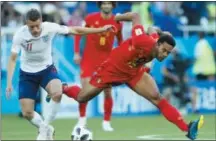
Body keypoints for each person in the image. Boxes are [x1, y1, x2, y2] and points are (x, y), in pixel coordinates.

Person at [63, 12, 204, 140]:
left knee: (157, 98)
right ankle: (63, 88)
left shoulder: (156, 41)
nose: (165, 55)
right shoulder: (141, 41)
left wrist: (160, 32)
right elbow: (136, 16)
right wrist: (117, 18)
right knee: (82, 97)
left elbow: (152, 30)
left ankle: (187, 129)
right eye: (164, 50)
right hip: (112, 70)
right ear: (157, 44)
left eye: (168, 53)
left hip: (133, 73)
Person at [6, 8, 114, 140]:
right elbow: (12, 59)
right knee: (27, 112)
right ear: (26, 25)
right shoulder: (20, 35)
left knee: (57, 93)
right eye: (31, 27)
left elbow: (76, 30)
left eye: (37, 26)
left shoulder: (50, 28)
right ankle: (46, 128)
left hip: (46, 69)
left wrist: (101, 29)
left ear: (41, 22)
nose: (35, 30)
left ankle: (45, 128)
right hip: (27, 74)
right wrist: (9, 83)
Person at [73, 1, 122, 131]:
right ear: (100, 5)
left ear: (113, 5)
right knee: (85, 91)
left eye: (109, 3)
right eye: (104, 3)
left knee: (107, 91)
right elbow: (78, 34)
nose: (106, 6)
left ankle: (106, 122)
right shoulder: (90, 18)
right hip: (89, 59)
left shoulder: (117, 22)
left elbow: (121, 42)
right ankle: (82, 120)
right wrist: (77, 52)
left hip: (106, 61)